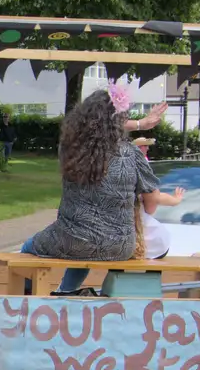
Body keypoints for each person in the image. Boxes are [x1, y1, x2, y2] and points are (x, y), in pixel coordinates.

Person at [19, 88, 172, 293]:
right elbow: (151, 200)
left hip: (70, 238)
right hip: (119, 246)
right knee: (86, 247)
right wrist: (140, 124)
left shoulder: (68, 148)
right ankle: (65, 292)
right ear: (119, 121)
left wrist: (138, 124)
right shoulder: (132, 153)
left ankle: (29, 300)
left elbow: (98, 127)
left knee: (27, 250)